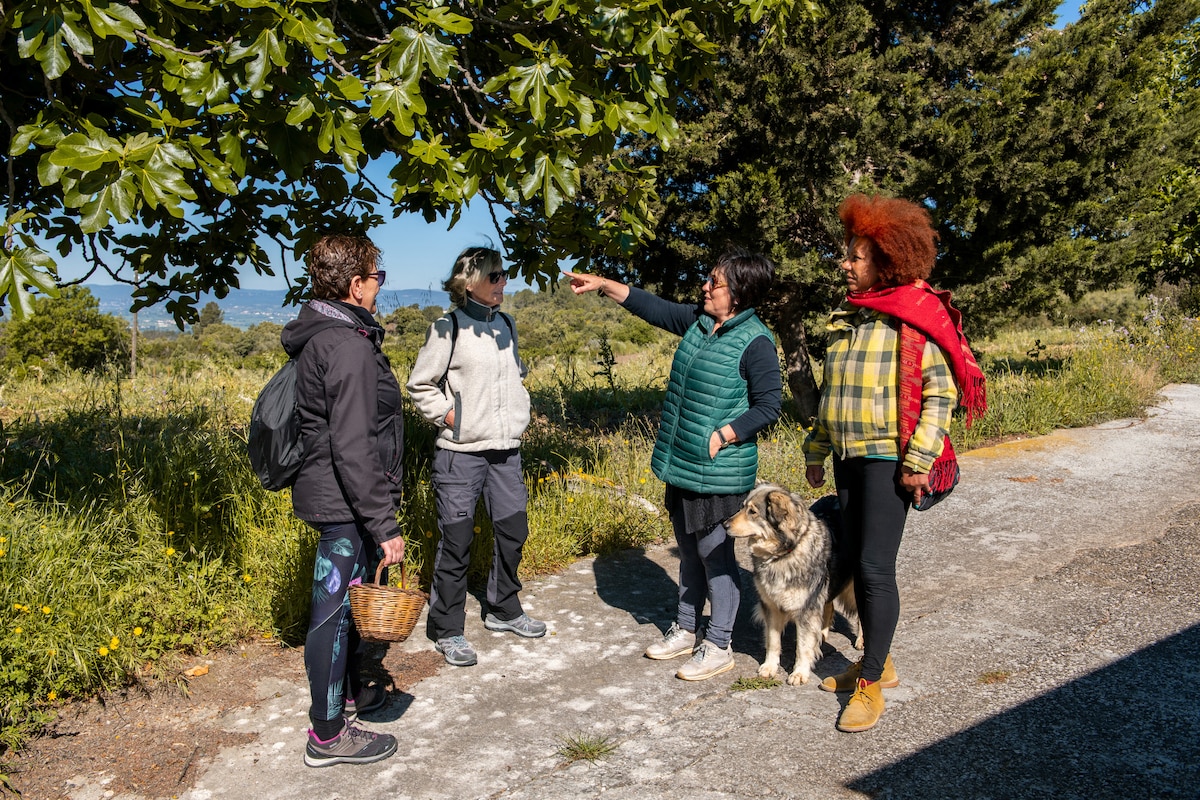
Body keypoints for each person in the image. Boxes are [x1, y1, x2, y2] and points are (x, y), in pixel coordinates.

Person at [803, 194, 986, 732]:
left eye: (855, 257)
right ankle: (878, 661)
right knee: (857, 562)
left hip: (888, 461)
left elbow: (939, 394)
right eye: (847, 255)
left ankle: (870, 683)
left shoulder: (914, 315)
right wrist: (817, 451)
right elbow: (832, 395)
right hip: (847, 457)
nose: (845, 264)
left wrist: (919, 460)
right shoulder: (850, 317)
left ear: (886, 261)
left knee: (875, 568)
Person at [565, 247, 782, 681]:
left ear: (739, 293)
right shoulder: (700, 323)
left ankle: (718, 644)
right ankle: (685, 628)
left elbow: (769, 406)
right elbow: (653, 307)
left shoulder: (755, 341)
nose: (706, 286)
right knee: (688, 550)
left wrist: (723, 435)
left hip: (719, 470)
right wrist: (604, 284)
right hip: (682, 461)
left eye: (715, 282)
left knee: (714, 555)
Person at [281, 233, 406, 767]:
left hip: (337, 495)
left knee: (343, 610)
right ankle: (328, 736)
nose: (380, 286)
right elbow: (353, 444)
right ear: (356, 285)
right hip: (343, 503)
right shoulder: (347, 344)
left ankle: (351, 697)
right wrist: (384, 523)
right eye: (377, 277)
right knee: (331, 617)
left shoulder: (328, 334)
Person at [407, 246, 547, 668]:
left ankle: (503, 609)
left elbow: (514, 376)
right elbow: (420, 385)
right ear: (469, 283)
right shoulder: (446, 328)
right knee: (456, 541)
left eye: (503, 275)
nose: (503, 282)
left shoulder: (506, 324)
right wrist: (452, 417)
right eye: (494, 276)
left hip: (506, 451)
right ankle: (447, 629)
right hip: (460, 455)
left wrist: (519, 409)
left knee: (513, 530)